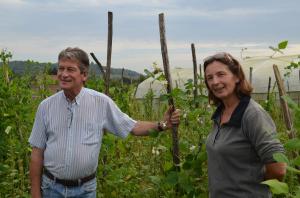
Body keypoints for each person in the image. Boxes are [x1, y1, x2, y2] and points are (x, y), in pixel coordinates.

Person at [29, 47, 180, 198]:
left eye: (70, 69)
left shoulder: (101, 103)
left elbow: (133, 127)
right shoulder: (46, 107)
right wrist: (35, 194)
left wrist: (163, 124)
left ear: (84, 75)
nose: (64, 74)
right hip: (52, 189)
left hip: (85, 191)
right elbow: (37, 154)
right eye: (61, 69)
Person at [203, 52, 286, 198]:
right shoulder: (220, 113)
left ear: (237, 77)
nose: (215, 82)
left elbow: (278, 168)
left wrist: (253, 189)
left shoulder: (252, 114)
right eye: (209, 78)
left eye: (221, 74)